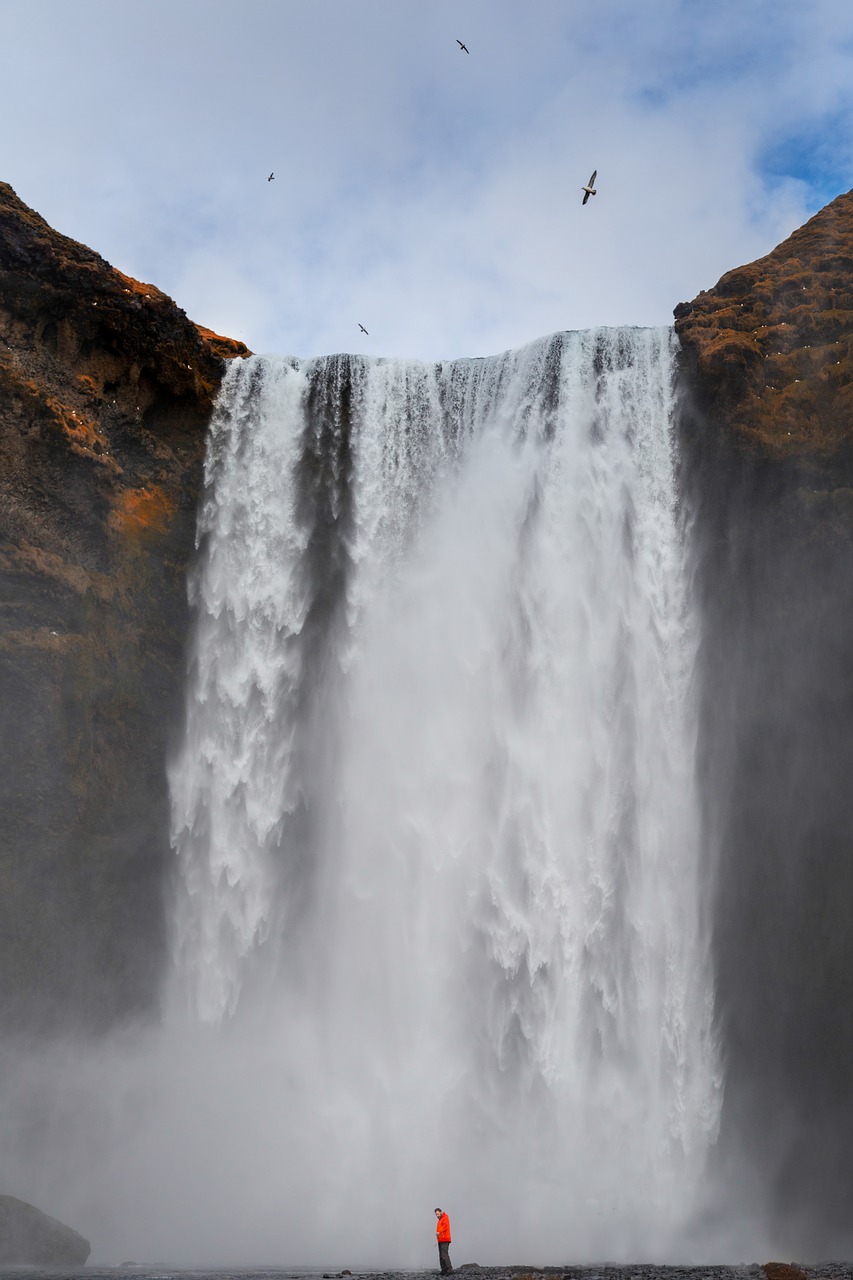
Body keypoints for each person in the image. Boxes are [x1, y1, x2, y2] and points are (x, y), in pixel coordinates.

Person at [434, 1206, 452, 1274]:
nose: (437, 1215)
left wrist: (439, 1232)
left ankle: (449, 1269)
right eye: (436, 1214)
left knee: (444, 1255)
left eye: (438, 1214)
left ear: (441, 1212)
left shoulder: (445, 1217)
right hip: (440, 1239)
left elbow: (446, 1226)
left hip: (445, 1239)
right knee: (441, 1255)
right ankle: (443, 1269)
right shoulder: (440, 1220)